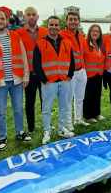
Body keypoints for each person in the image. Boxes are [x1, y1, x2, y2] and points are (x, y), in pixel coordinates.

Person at [0, 8, 31, 151]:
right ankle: (2, 136)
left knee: (18, 109)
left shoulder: (15, 36)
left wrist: (25, 76)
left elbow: (23, 57)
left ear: (7, 20)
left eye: (2, 19)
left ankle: (20, 132)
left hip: (16, 79)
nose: (0, 21)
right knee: (0, 111)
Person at [33, 16, 75, 144]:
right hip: (49, 82)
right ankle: (47, 131)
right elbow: (36, 64)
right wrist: (44, 80)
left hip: (64, 81)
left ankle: (62, 129)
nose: (54, 27)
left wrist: (69, 76)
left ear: (60, 27)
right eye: (51, 25)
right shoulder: (40, 43)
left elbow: (72, 61)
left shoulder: (67, 43)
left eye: (56, 25)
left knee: (64, 106)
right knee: (47, 108)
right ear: (47, 26)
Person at [16, 7, 48, 134]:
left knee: (45, 100)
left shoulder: (45, 31)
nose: (31, 17)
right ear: (24, 17)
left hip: (43, 72)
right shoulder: (18, 34)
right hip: (29, 73)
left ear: (37, 16)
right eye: (28, 15)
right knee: (30, 101)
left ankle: (47, 123)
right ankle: (31, 127)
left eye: (33, 14)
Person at [59, 12, 89, 129]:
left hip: (82, 70)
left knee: (80, 97)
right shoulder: (62, 35)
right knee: (68, 98)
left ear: (79, 21)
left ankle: (78, 119)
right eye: (70, 19)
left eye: (75, 19)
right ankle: (68, 122)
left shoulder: (80, 35)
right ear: (66, 22)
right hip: (70, 72)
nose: (73, 21)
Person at [83, 25, 106, 122]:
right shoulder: (85, 43)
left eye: (98, 31)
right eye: (93, 31)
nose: (95, 33)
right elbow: (82, 58)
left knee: (97, 94)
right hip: (89, 73)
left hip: (99, 73)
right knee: (89, 95)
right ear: (89, 32)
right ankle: (88, 116)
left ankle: (97, 113)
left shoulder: (100, 45)